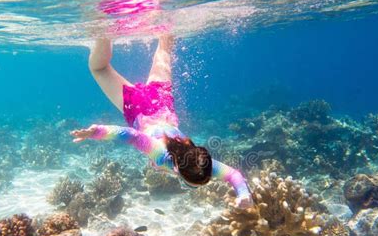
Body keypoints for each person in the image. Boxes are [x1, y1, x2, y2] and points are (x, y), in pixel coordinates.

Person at [71, 36, 254, 208]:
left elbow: (233, 175)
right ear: (177, 169)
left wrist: (244, 194)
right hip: (139, 110)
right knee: (100, 69)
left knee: (164, 46)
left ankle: (164, 13)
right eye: (189, 185)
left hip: (162, 102)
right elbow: (132, 135)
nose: (192, 186)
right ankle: (104, 31)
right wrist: (96, 132)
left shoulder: (200, 161)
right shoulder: (162, 155)